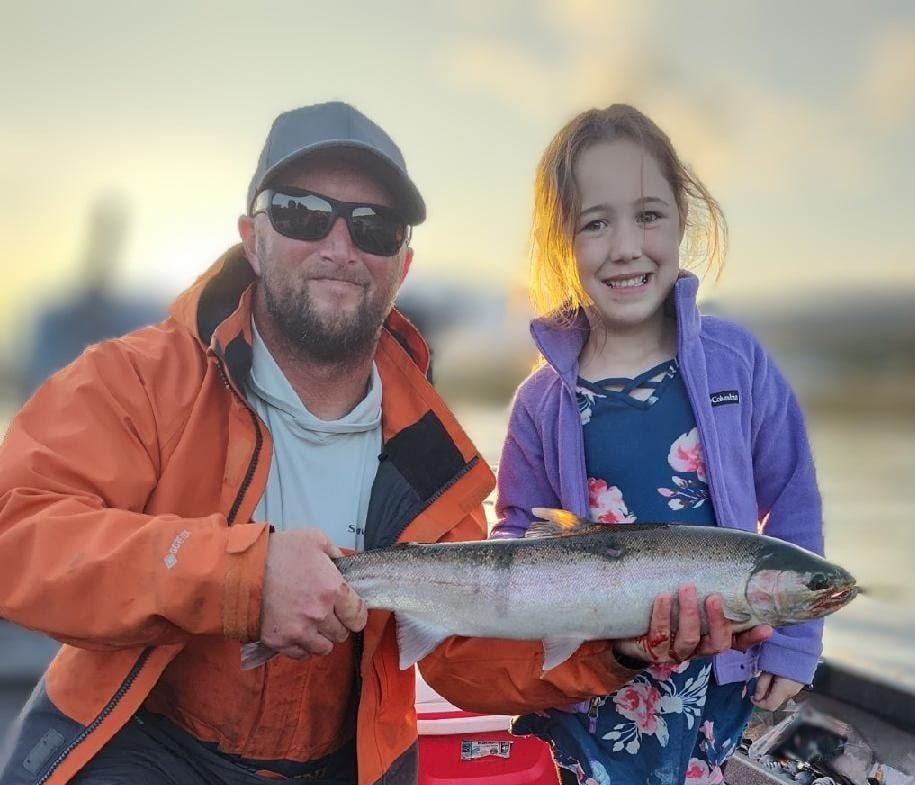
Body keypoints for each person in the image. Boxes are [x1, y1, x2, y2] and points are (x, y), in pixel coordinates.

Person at [0, 101, 771, 785]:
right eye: (302, 212)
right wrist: (238, 577)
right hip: (140, 737)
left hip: (350, 760)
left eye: (372, 227)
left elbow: (464, 657)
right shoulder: (134, 380)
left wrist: (619, 648)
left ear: (400, 264)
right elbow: (18, 531)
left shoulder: (434, 460)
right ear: (251, 236)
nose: (340, 245)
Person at [488, 104, 824, 785]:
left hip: (712, 684)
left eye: (647, 214)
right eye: (594, 222)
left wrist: (792, 643)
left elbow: (791, 497)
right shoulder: (538, 402)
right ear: (562, 241)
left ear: (680, 219)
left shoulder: (738, 362)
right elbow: (517, 534)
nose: (624, 246)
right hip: (586, 690)